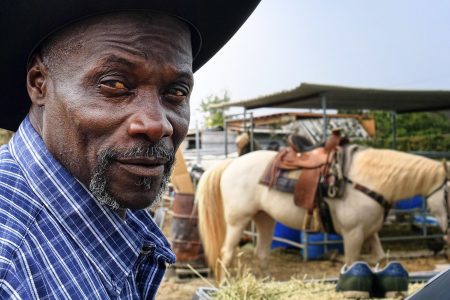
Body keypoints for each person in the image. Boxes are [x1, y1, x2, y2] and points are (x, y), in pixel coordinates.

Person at [0, 1, 259, 298]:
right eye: (115, 84)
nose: (157, 124)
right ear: (39, 84)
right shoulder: (10, 271)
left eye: (176, 92)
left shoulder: (106, 203)